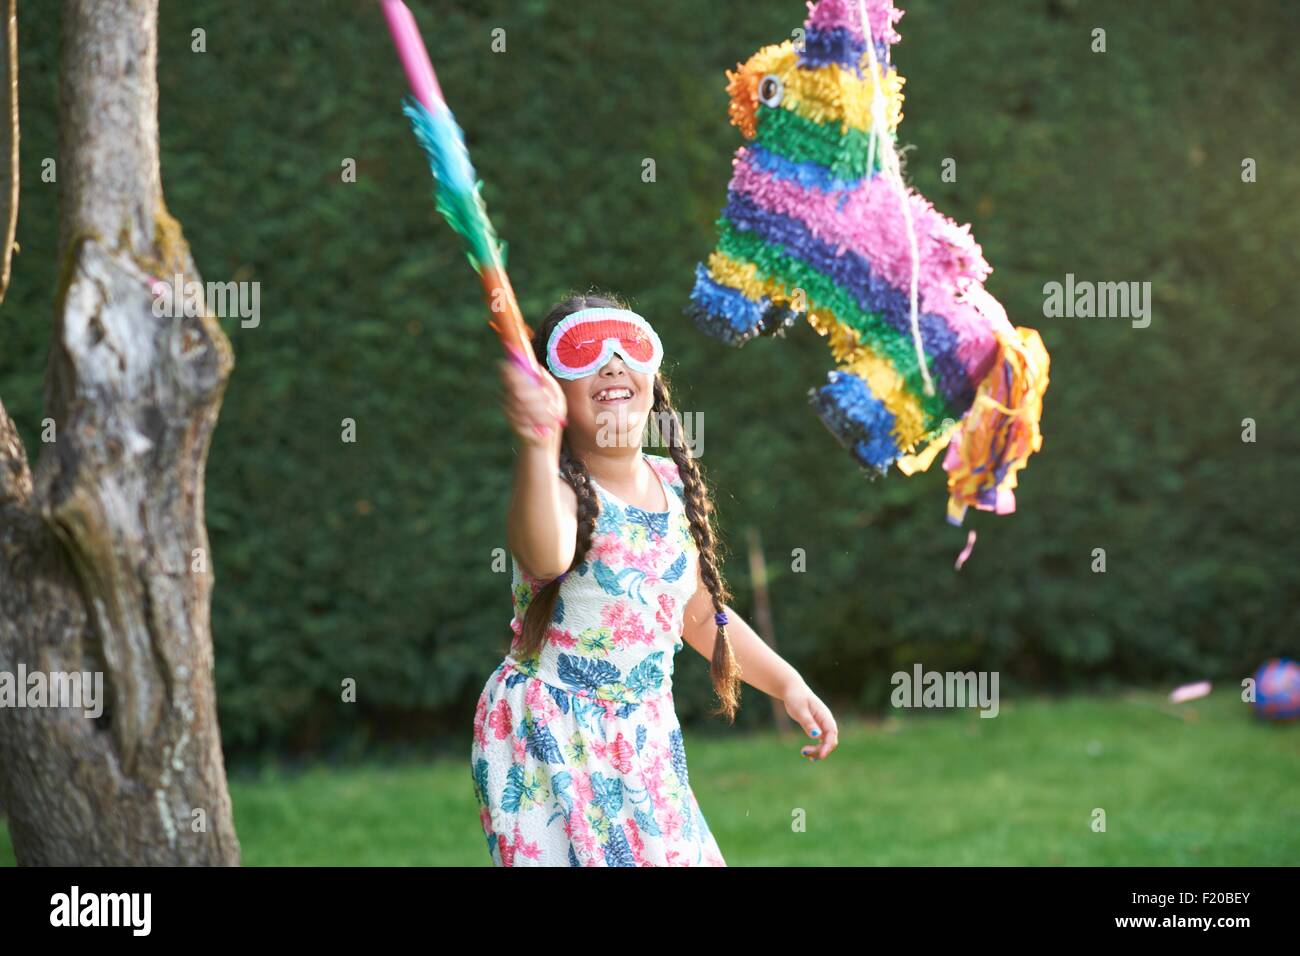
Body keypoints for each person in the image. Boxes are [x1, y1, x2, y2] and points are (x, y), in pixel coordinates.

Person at [470, 290, 838, 866]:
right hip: (551, 733)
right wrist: (539, 447)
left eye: (629, 345)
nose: (612, 361)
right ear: (552, 390)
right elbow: (544, 558)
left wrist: (788, 683)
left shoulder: (670, 482)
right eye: (583, 351)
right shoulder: (558, 489)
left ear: (652, 377)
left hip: (644, 736)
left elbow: (695, 612)